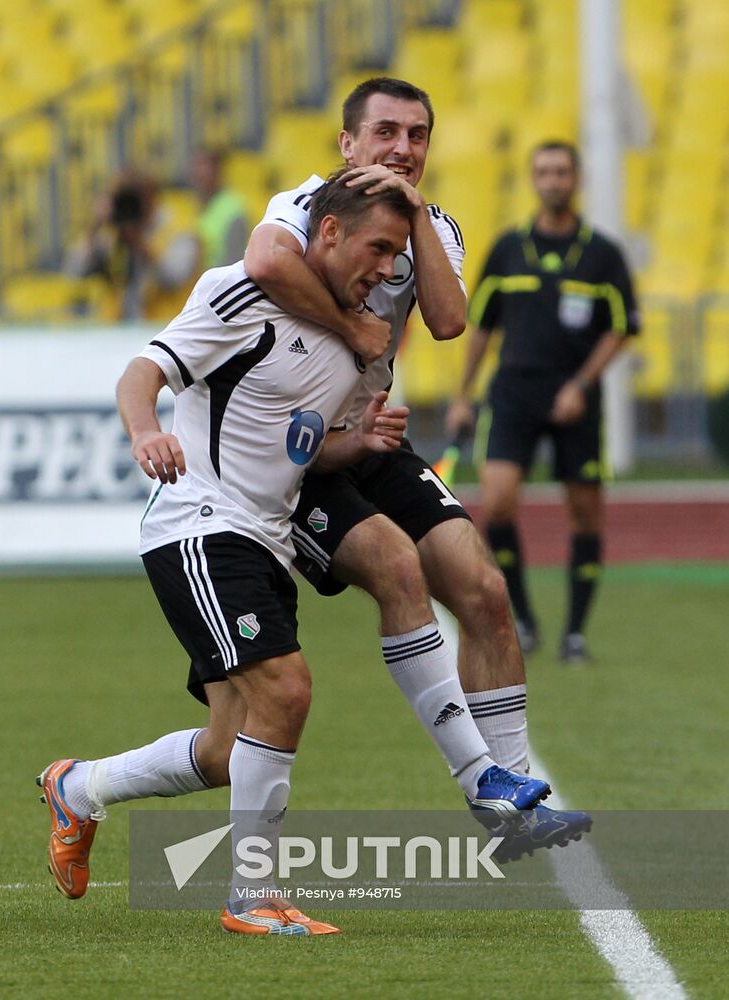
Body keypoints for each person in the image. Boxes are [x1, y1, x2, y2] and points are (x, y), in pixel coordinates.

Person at [37, 174, 552, 937]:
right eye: (378, 249)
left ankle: (78, 788)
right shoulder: (239, 293)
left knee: (225, 748)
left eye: (396, 254)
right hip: (200, 526)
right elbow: (142, 371)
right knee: (287, 689)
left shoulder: (352, 344)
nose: (386, 269)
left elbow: (296, 447)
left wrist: (360, 444)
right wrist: (146, 430)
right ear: (332, 233)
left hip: (264, 539)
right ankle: (252, 896)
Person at [245, 78, 592, 856]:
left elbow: (446, 320)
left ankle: (515, 801)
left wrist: (410, 212)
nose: (402, 148)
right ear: (346, 144)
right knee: (397, 574)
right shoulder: (303, 204)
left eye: (417, 136)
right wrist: (352, 327)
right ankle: (478, 783)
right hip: (295, 454)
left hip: (373, 440)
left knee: (484, 589)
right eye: (386, 133)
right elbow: (265, 260)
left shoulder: (434, 228)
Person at [445, 140, 640, 664]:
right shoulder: (509, 249)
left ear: (576, 180)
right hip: (513, 392)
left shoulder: (602, 255)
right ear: (533, 180)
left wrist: (581, 384)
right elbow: (481, 326)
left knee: (584, 512)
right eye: (543, 171)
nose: (552, 179)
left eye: (561, 171)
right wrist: (462, 396)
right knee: (499, 501)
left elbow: (623, 327)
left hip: (576, 397)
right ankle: (524, 620)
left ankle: (575, 633)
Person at [65, 167, 200, 321]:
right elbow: (75, 272)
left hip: (166, 329)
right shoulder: (113, 234)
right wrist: (94, 226)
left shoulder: (180, 230)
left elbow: (175, 278)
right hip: (118, 330)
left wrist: (141, 244)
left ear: (153, 196)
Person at [190, 147, 249, 269]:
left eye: (204, 166)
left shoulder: (234, 212)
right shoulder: (201, 206)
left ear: (218, 171)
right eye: (196, 166)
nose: (198, 173)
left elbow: (233, 264)